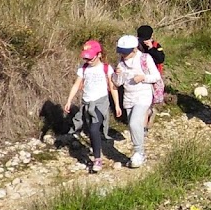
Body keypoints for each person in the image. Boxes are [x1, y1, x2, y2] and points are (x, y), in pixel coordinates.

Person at [64, 40, 121, 173]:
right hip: (86, 103)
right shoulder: (83, 69)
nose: (87, 60)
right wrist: (69, 100)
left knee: (94, 128)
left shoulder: (106, 68)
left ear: (99, 55)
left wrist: (117, 105)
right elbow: (76, 85)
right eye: (85, 57)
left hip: (100, 103)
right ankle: (96, 148)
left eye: (90, 57)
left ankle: (97, 159)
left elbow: (113, 87)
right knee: (90, 130)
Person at [114, 34, 161, 169]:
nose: (123, 54)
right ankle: (139, 152)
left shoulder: (145, 58)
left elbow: (156, 76)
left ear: (134, 49)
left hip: (144, 95)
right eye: (121, 52)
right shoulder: (121, 63)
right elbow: (117, 83)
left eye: (126, 52)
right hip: (128, 98)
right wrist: (116, 74)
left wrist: (143, 77)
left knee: (135, 123)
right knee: (132, 125)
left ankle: (139, 153)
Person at [136, 25, 165, 132]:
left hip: (153, 77)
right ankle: (142, 123)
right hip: (139, 77)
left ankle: (148, 116)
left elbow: (160, 59)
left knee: (150, 100)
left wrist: (151, 48)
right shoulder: (136, 46)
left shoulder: (156, 45)